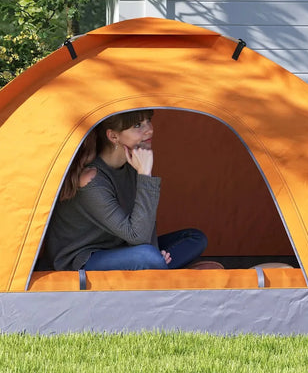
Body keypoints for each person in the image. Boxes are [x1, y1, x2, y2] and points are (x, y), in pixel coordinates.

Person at [44, 109, 207, 271]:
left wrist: (155, 252)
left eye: (148, 120)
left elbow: (145, 224)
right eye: (137, 125)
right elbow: (138, 236)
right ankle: (160, 269)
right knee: (149, 257)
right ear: (113, 136)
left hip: (122, 246)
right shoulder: (90, 180)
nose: (149, 129)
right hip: (84, 259)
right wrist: (145, 175)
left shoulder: (134, 165)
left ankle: (156, 268)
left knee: (195, 238)